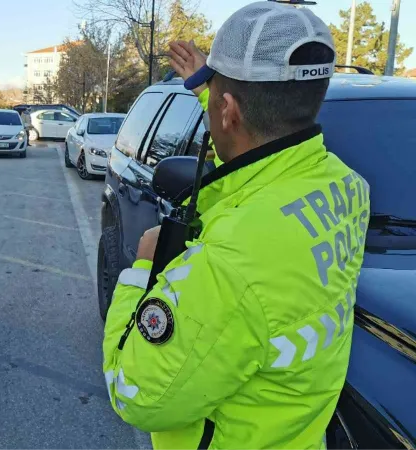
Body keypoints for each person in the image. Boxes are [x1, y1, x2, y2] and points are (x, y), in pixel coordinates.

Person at [102, 3, 370, 449]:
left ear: (228, 112)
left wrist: (139, 272)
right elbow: (256, 143)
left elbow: (134, 394)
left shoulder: (227, 265)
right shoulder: (344, 187)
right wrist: (211, 89)